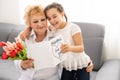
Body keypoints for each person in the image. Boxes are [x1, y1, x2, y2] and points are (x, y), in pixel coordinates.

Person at [44, 2, 92, 80]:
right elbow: (37, 27)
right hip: (67, 66)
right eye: (49, 18)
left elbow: (81, 48)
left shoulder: (73, 27)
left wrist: (70, 48)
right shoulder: (52, 29)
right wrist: (27, 30)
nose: (52, 20)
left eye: (54, 16)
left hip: (82, 65)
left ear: (62, 13)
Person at [14, 5, 60, 80]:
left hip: (50, 78)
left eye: (43, 19)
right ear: (30, 24)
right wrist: (22, 64)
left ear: (47, 20)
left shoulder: (56, 35)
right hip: (26, 78)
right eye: (35, 21)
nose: (40, 24)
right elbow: (16, 58)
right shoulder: (23, 36)